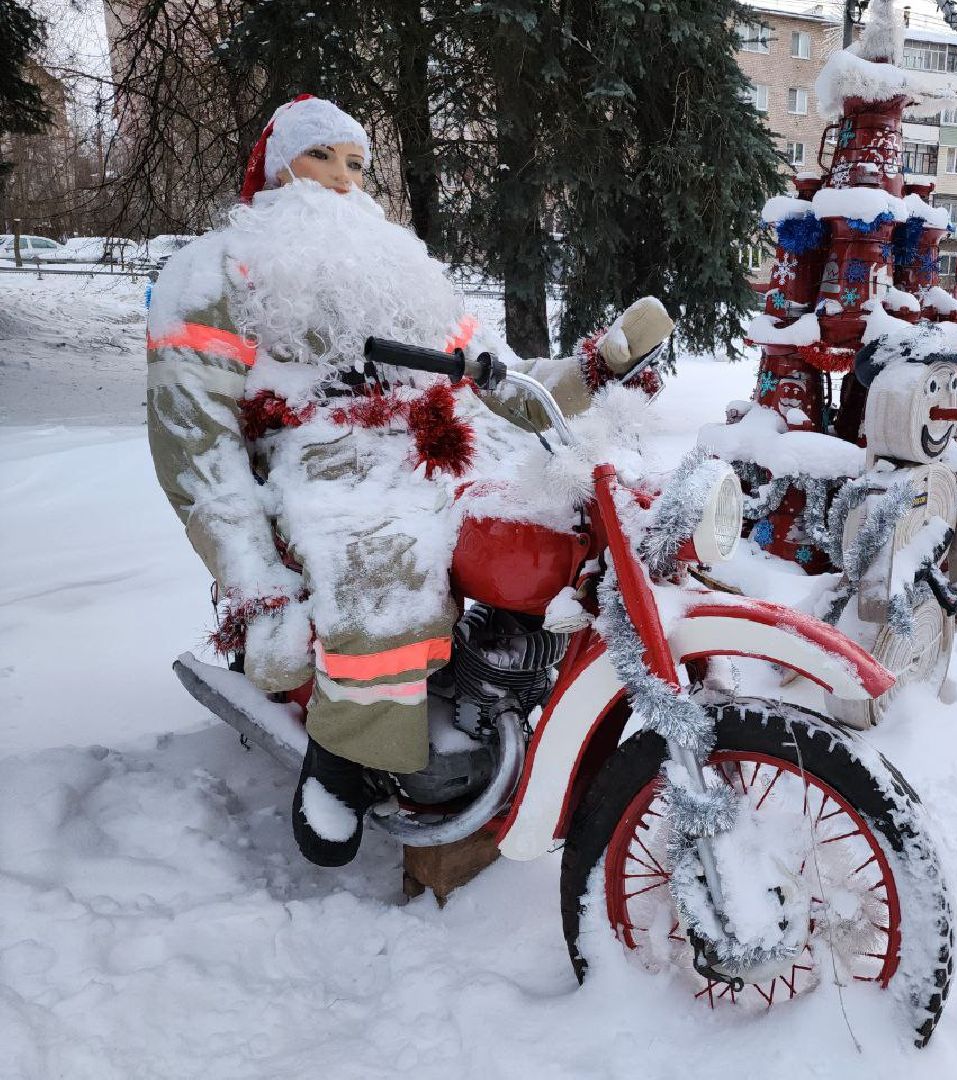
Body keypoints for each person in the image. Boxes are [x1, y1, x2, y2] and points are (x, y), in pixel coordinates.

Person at [146, 95, 670, 867]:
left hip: (444, 449)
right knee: (386, 576)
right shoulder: (213, 270)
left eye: (355, 164)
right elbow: (195, 440)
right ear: (273, 165)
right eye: (319, 156)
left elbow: (497, 383)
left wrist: (592, 371)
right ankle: (344, 762)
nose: (339, 180)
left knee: (568, 527)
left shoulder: (401, 271)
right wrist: (253, 582)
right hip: (322, 469)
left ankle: (511, 700)